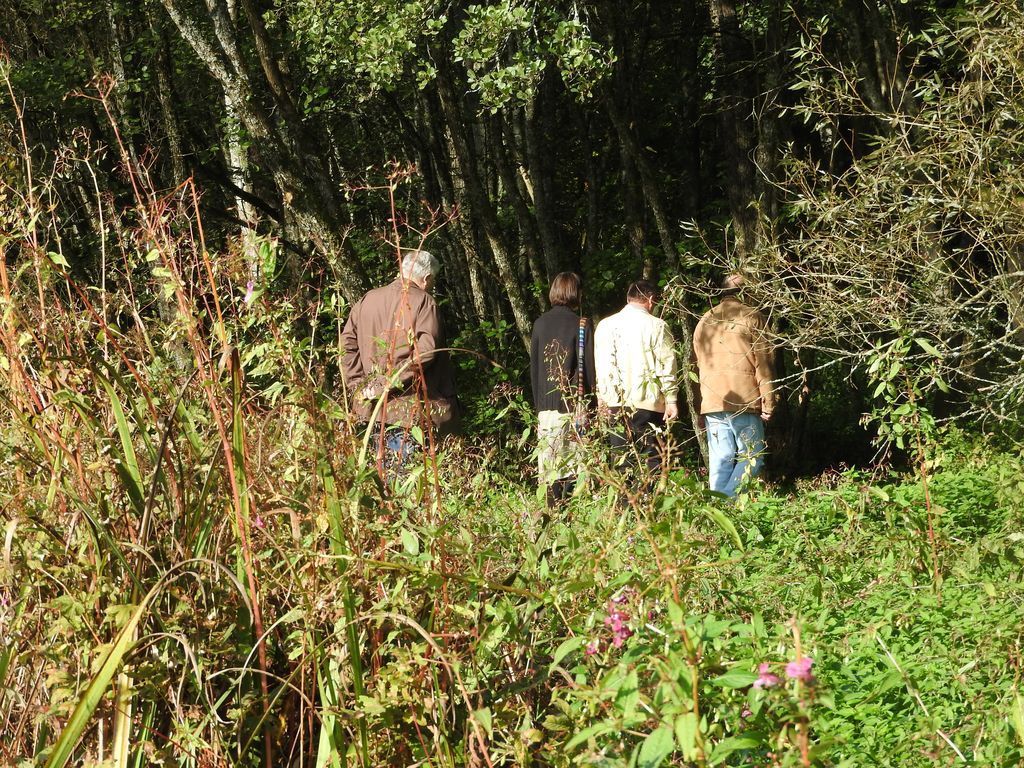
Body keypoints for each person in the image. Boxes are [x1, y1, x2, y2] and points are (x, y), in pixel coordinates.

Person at [341, 249, 458, 471]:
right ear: (427, 278)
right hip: (409, 411)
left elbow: (346, 345)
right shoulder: (424, 302)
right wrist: (386, 383)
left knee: (382, 479)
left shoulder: (367, 300)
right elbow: (426, 352)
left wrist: (360, 386)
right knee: (410, 480)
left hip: (372, 411)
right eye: (433, 280)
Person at [691, 273, 776, 497]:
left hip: (712, 400)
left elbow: (696, 365)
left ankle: (717, 509)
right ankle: (728, 501)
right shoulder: (753, 317)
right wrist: (769, 402)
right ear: (746, 292)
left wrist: (701, 405)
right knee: (753, 456)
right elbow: (764, 363)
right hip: (745, 398)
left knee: (720, 460)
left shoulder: (704, 321)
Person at [594, 280, 678, 477]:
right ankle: (650, 496)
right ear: (650, 299)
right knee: (651, 460)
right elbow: (667, 364)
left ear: (628, 298)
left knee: (621, 462)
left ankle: (625, 496)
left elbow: (602, 366)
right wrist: (671, 399)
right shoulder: (658, 326)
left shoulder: (605, 325)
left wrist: (602, 398)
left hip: (615, 403)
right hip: (648, 403)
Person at [530, 272, 596, 507]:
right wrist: (592, 405)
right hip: (572, 406)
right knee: (574, 466)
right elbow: (588, 369)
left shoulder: (539, 324)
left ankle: (552, 513)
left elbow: (535, 369)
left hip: (545, 409)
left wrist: (539, 406)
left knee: (549, 468)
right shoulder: (582, 324)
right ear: (576, 293)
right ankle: (570, 514)